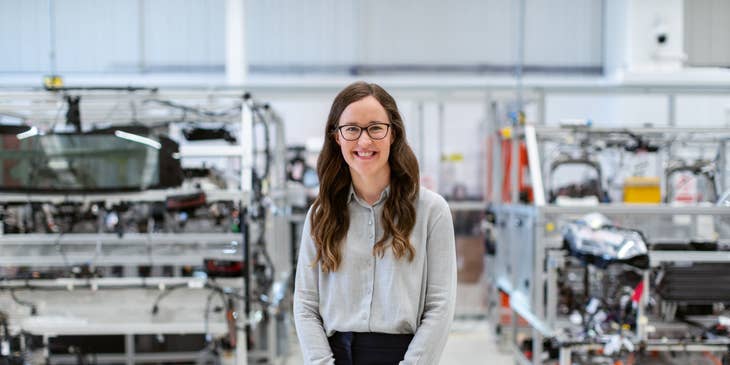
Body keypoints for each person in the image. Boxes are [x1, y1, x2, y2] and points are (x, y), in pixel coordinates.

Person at [294, 81, 457, 365]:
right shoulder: (321, 213)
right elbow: (306, 304)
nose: (364, 141)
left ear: (392, 134)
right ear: (337, 137)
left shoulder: (432, 211)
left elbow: (440, 306)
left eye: (375, 128)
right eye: (352, 129)